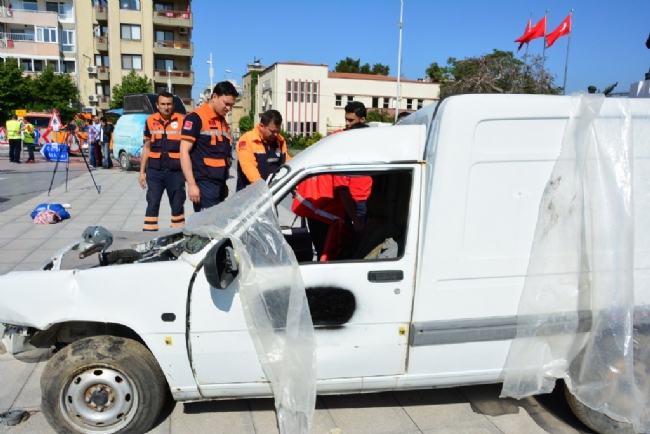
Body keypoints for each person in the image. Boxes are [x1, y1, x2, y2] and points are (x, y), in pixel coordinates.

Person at [180, 81, 238, 212]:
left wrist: (223, 184)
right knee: (207, 222)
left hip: (219, 183)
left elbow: (223, 156)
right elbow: (184, 152)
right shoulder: (196, 118)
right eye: (226, 103)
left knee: (216, 220)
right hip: (204, 182)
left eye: (231, 105)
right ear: (215, 97)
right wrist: (192, 185)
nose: (228, 108)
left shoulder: (223, 122)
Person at [140, 92, 186, 231]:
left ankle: (177, 235)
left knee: (177, 205)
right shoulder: (150, 120)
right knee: (152, 203)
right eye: (163, 104)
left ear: (173, 105)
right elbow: (147, 147)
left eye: (169, 104)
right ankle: (149, 236)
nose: (166, 107)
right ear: (157, 105)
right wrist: (142, 172)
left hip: (176, 172)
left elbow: (187, 147)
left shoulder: (182, 120)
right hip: (155, 172)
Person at [235, 109, 291, 191]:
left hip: (273, 192)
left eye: (278, 131)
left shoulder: (280, 141)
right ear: (261, 126)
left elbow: (288, 163)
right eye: (272, 131)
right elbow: (249, 166)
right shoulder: (247, 140)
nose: (276, 134)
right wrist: (262, 188)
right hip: (249, 192)